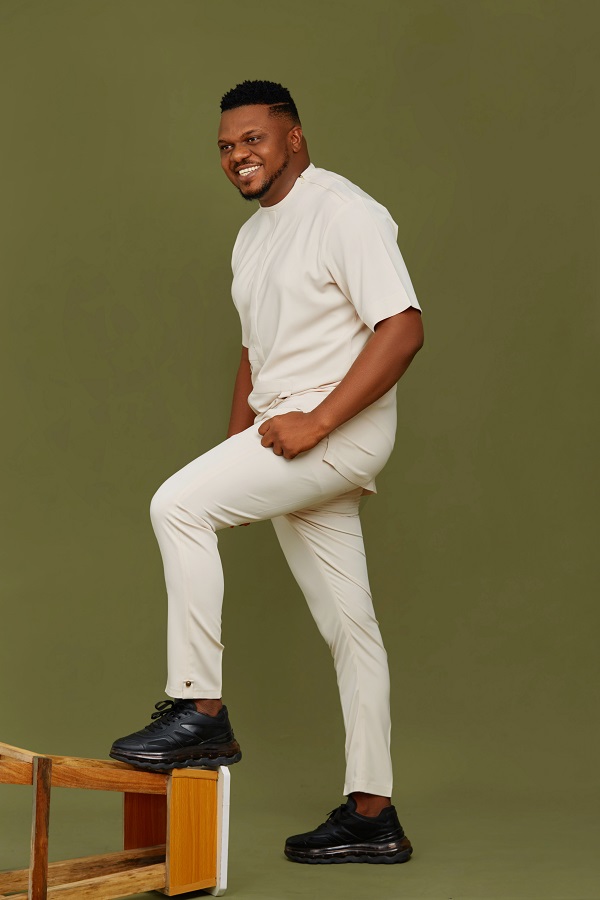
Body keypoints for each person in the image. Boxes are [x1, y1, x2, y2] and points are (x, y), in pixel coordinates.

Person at [110, 79, 424, 865]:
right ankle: (373, 815)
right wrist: (233, 452)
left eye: (252, 139)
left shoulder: (343, 211)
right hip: (281, 436)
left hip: (333, 431)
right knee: (352, 631)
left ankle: (200, 710)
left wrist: (320, 421)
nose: (237, 156)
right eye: (225, 146)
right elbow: (255, 354)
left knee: (174, 506)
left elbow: (402, 329)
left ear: (294, 137)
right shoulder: (252, 239)